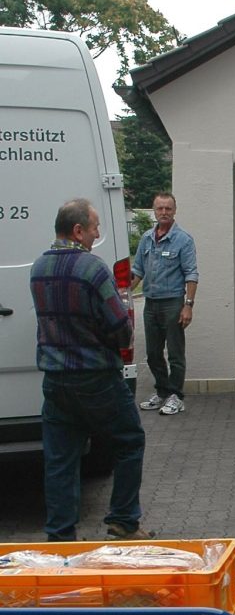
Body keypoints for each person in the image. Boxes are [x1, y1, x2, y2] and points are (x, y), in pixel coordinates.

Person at [30, 198, 153, 541]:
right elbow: (119, 323)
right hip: (96, 376)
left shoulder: (38, 268)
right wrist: (117, 338)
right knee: (129, 441)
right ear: (78, 230)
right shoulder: (92, 268)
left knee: (60, 459)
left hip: (55, 380)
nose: (98, 234)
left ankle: (60, 536)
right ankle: (124, 521)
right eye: (95, 227)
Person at [131, 192, 199, 416]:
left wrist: (188, 305)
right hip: (150, 304)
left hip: (173, 304)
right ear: (154, 210)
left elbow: (191, 274)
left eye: (168, 209)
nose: (164, 213)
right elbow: (137, 271)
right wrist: (122, 293)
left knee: (175, 354)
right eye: (160, 209)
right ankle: (162, 392)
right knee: (152, 353)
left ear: (174, 210)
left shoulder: (183, 240)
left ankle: (176, 396)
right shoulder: (146, 238)